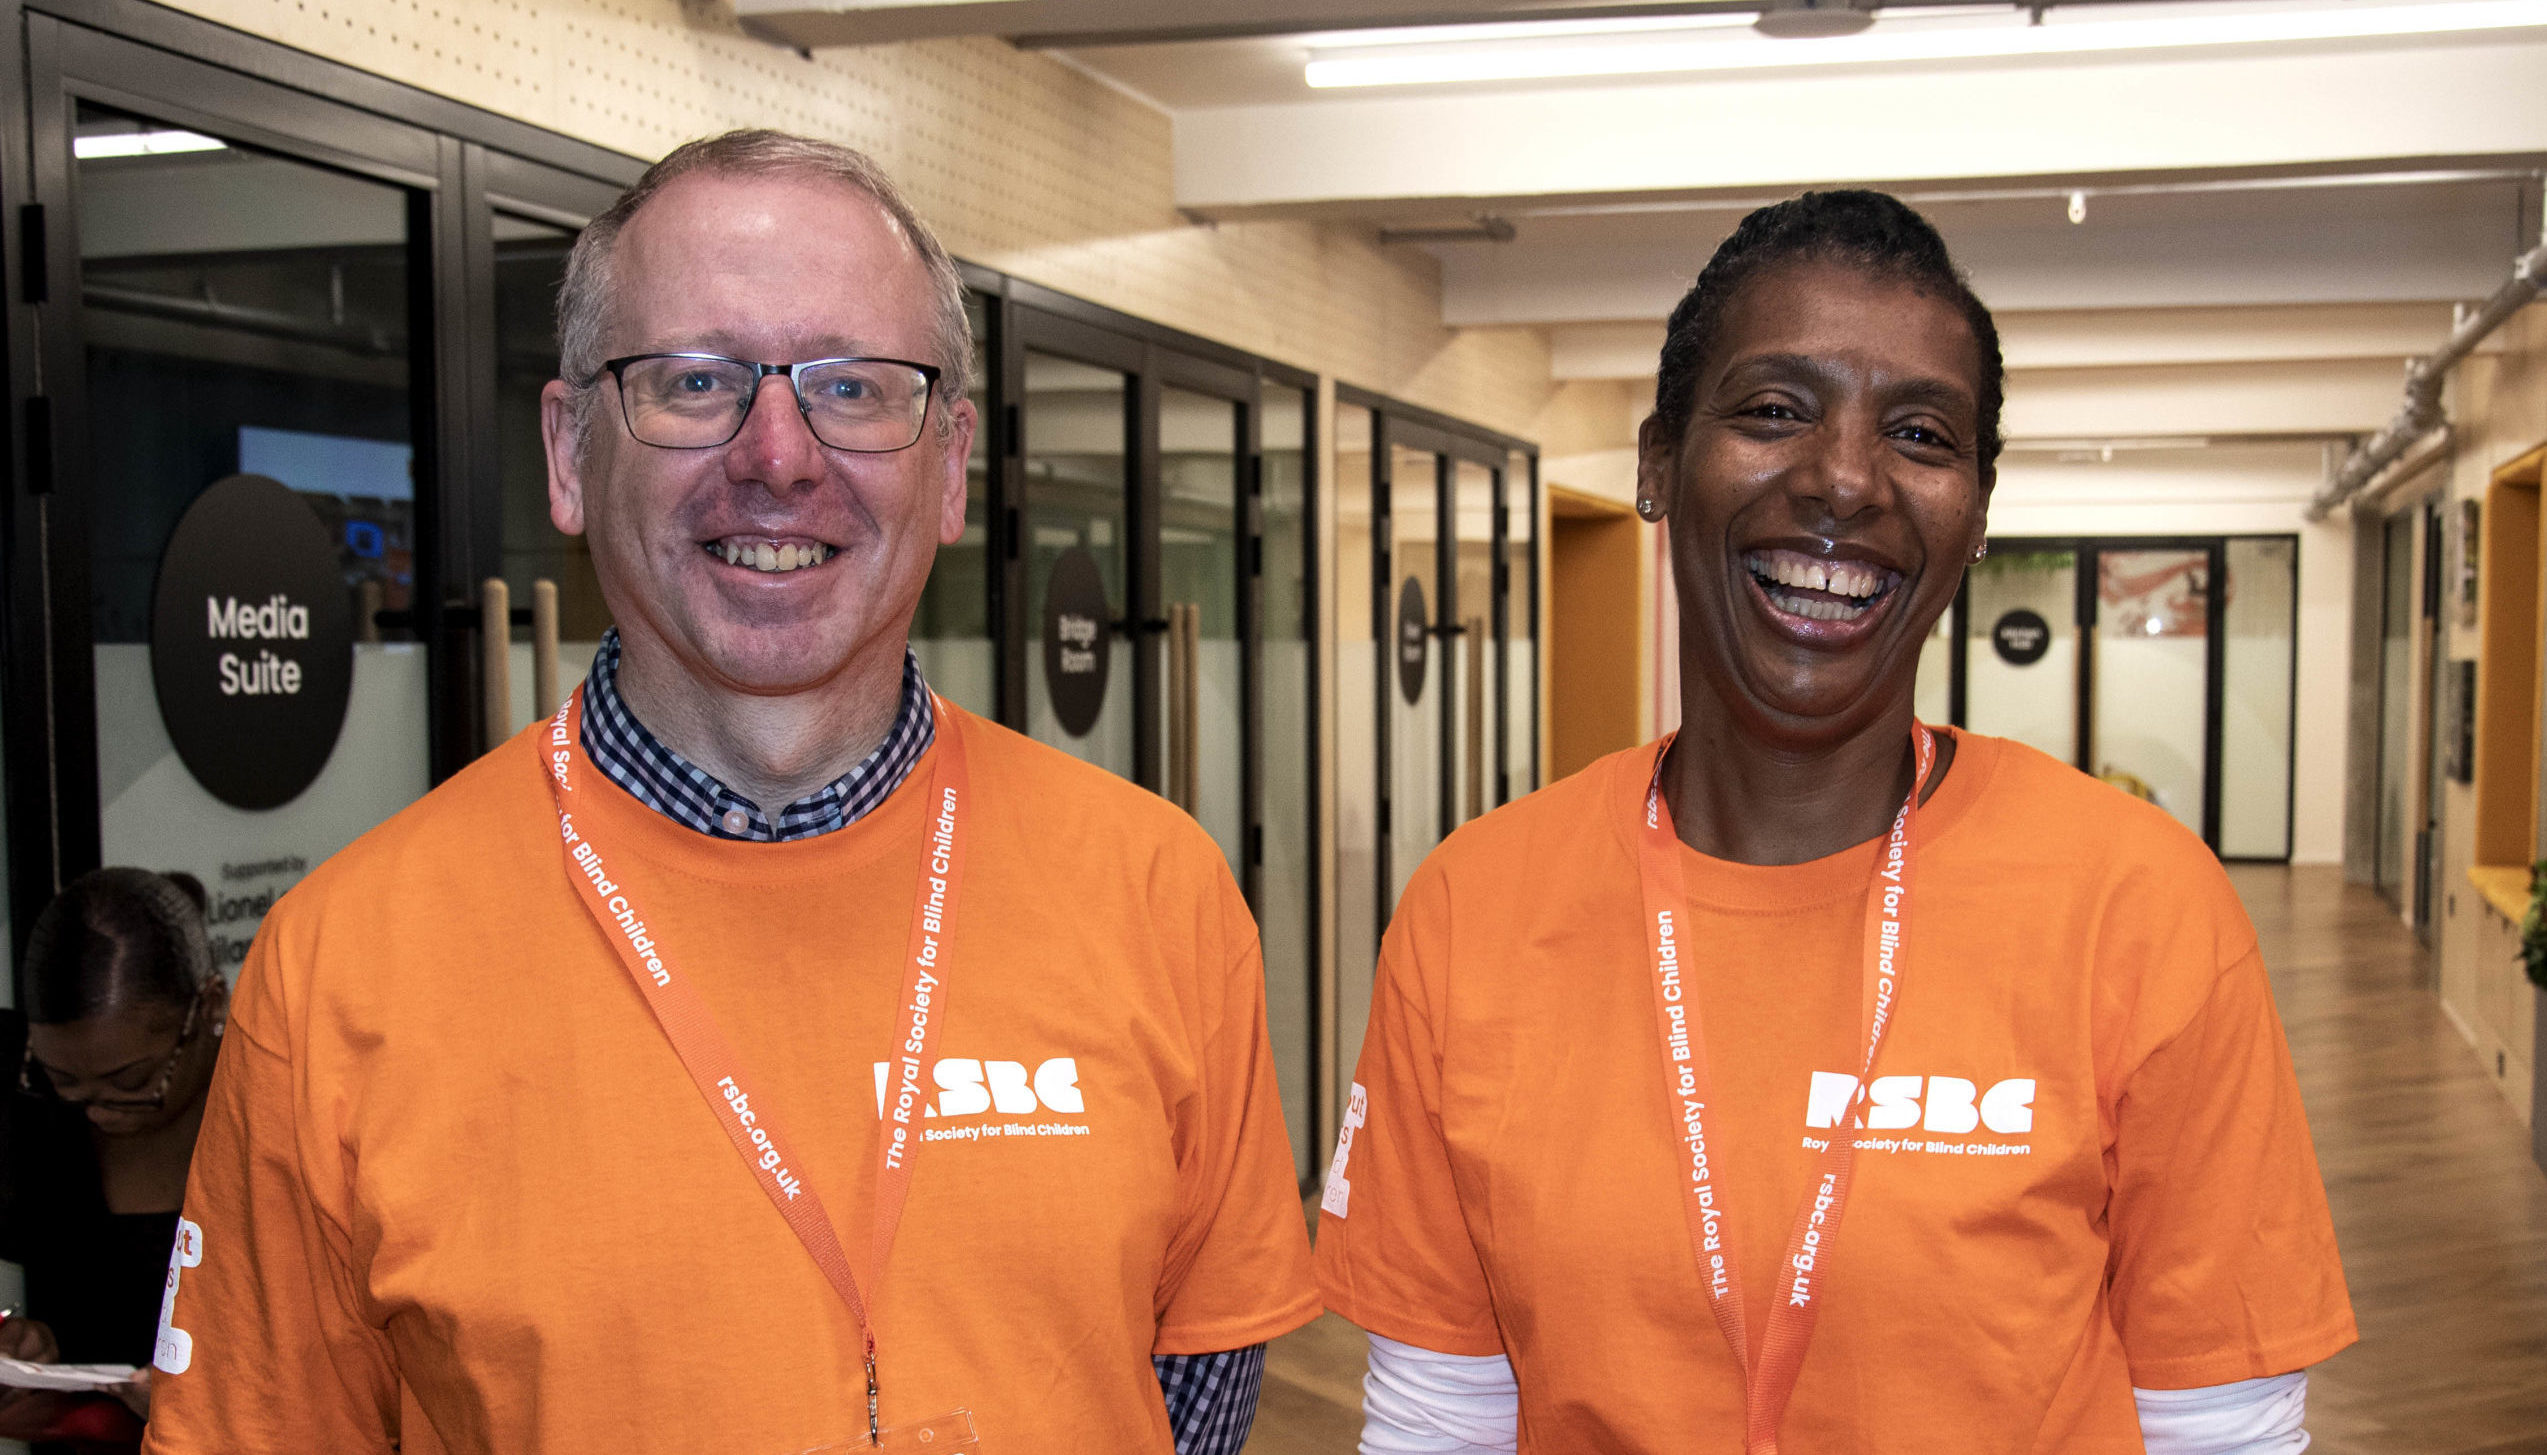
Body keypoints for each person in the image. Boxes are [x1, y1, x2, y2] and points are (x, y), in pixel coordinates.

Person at [143, 130, 1317, 1454]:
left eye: (854, 387)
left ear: (950, 465)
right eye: (694, 380)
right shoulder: (342, 967)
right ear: (569, 453)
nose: (777, 456)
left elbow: (1196, 1380)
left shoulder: (1155, 891)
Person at [1315, 191, 2354, 1453]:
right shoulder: (1478, 904)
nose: (1845, 479)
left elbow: (2220, 1428)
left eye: (1920, 434)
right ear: (1657, 464)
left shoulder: (2137, 905)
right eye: (1773, 410)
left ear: (1976, 512)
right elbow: (1442, 1421)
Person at [1, 869, 225, 1451]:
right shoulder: (36, 1121)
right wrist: (34, 1354)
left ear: (209, 1006)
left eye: (131, 1082)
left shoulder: (282, 1124)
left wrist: (208, 1402)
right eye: (63, 1080)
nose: (98, 1110)